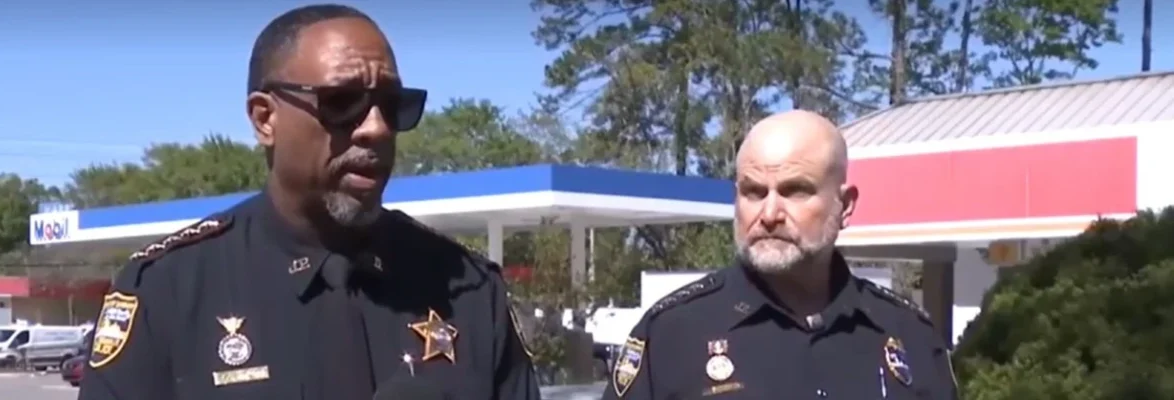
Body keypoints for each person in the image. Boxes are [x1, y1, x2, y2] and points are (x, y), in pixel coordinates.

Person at [78, 4, 540, 400]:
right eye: (342, 101)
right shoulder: (168, 291)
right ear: (265, 119)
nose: (376, 128)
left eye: (393, 104)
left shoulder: (470, 291)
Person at [602, 110, 957, 400]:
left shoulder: (909, 335)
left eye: (795, 191)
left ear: (845, 206)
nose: (769, 213)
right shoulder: (671, 334)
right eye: (754, 192)